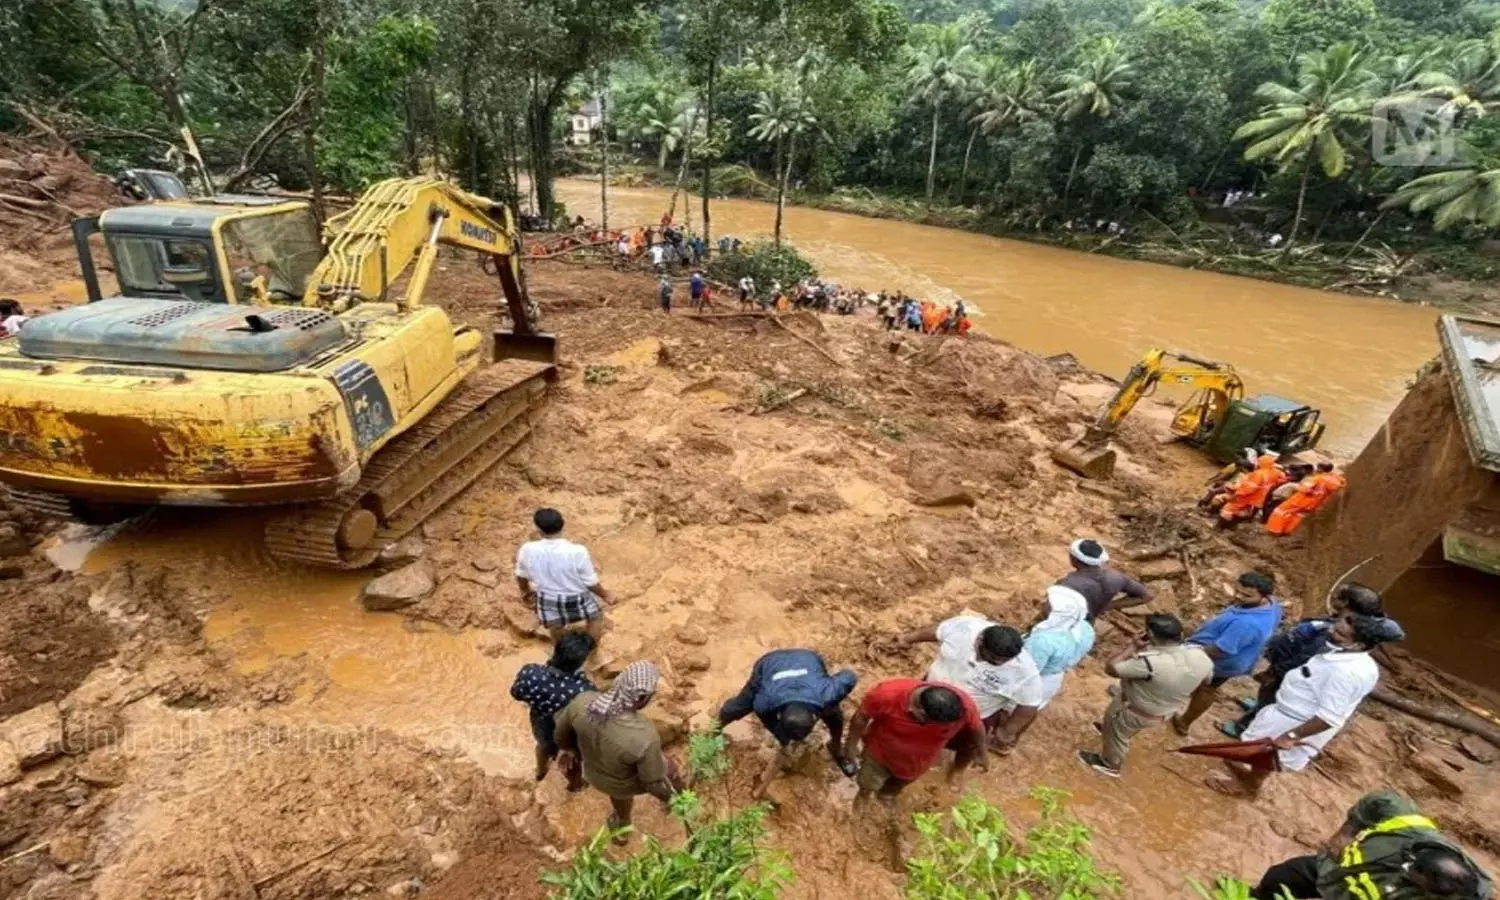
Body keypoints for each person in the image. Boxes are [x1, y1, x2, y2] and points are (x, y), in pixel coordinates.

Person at [1211, 613, 1403, 798]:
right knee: (1263, 752)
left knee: (1268, 757)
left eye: (1340, 634)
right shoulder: (1355, 659)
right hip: (1289, 714)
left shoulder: (1345, 673)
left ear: (1359, 644)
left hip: (1295, 723)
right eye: (1336, 627)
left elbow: (1329, 717)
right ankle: (1250, 774)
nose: (1331, 632)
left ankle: (1249, 787)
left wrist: (1290, 736)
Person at [1251, 790, 1491, 900]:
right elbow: (1381, 799)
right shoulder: (1409, 827)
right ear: (1413, 862)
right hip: (1344, 872)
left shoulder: (1468, 892)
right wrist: (1345, 834)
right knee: (1282, 877)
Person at [1222, 584, 1384, 738]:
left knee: (1272, 699)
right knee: (1267, 697)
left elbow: (1305, 657)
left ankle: (1244, 726)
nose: (1333, 597)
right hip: (1284, 663)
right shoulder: (1339, 621)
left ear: (1346, 603)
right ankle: (1258, 707)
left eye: (1337, 596)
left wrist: (1275, 673)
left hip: (1287, 673)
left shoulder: (1337, 632)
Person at [841, 679, 986, 843]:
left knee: (900, 783)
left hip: (917, 762)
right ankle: (864, 796)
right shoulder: (887, 695)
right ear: (918, 712)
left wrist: (982, 753)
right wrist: (851, 746)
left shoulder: (963, 706)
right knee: (868, 781)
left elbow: (977, 726)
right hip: (879, 755)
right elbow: (861, 717)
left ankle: (887, 795)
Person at [554, 661, 681, 839]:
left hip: (592, 772)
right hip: (620, 784)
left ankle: (622, 828)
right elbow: (652, 783)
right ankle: (677, 802)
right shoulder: (644, 736)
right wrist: (670, 798)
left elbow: (560, 736)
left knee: (619, 796)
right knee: (671, 768)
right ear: (642, 698)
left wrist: (572, 751)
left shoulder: (583, 702)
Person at [1079, 614, 1212, 777]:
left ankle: (1110, 764)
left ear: (1151, 636)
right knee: (1125, 727)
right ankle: (1113, 732)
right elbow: (1207, 681)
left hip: (1134, 710)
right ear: (1181, 635)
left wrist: (1133, 647)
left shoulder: (1150, 663)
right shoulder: (1201, 657)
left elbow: (1111, 668)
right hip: (1164, 711)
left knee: (1118, 730)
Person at [716, 648, 860, 796]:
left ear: (814, 717)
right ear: (781, 713)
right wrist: (781, 736)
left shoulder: (828, 694)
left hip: (807, 660)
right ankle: (714, 729)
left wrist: (827, 683)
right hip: (770, 664)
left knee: (835, 716)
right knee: (738, 707)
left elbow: (849, 676)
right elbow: (763, 713)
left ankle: (836, 747)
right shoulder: (766, 700)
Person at [897, 615, 1044, 752]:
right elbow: (938, 631)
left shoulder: (1025, 672)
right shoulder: (965, 627)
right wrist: (908, 639)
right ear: (979, 640)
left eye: (998, 662)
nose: (991, 663)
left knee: (966, 747)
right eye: (989, 658)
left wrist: (1008, 731)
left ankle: (957, 768)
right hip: (928, 695)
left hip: (970, 717)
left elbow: (1029, 705)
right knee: (912, 726)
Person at [1172, 571, 1283, 735]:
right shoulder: (1272, 604)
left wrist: (1189, 653)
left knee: (1207, 689)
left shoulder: (1246, 624)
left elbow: (1221, 650)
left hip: (1221, 662)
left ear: (1263, 596)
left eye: (1246, 595)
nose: (1238, 596)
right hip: (1238, 656)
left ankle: (1184, 723)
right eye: (1237, 591)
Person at [510, 632, 597, 787]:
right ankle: (575, 784)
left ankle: (540, 771)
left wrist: (537, 701)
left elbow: (516, 693)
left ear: (556, 650)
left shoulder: (530, 673)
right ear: (580, 663)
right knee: (572, 757)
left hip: (541, 720)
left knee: (543, 745)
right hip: (569, 729)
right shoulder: (583, 689)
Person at [514, 508, 611, 641]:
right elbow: (591, 583)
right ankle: (591, 645)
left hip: (548, 601)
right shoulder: (577, 551)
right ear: (562, 525)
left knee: (555, 626)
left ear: (539, 530)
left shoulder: (527, 549)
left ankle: (559, 649)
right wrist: (606, 595)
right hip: (577, 599)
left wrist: (525, 591)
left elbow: (521, 576)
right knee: (596, 617)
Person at [1025, 585, 1096, 709]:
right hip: (1053, 678)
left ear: (1056, 612)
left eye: (1048, 604)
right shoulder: (1086, 629)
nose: (1043, 604)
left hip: (1034, 682)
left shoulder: (1042, 641)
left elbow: (1026, 673)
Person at [1054, 539, 1152, 624]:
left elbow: (1050, 613)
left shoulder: (1066, 585)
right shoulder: (1116, 578)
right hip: (1087, 626)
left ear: (1073, 560)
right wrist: (1108, 606)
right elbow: (1146, 596)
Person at [1267, 463, 1344, 536]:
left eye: (1318, 467)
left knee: (1281, 511)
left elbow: (1304, 489)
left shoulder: (1317, 478)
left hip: (1300, 500)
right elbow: (1337, 487)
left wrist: (1300, 486)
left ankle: (1275, 530)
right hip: (1313, 504)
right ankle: (1287, 531)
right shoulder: (1332, 481)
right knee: (1298, 515)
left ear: (1320, 469)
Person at [1220, 454, 1288, 524]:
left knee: (1228, 509)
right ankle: (1233, 525)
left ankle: (1221, 526)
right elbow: (1283, 479)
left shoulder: (1259, 474)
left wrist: (1237, 494)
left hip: (1248, 497)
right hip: (1259, 499)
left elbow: (1248, 488)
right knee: (1242, 513)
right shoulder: (1276, 472)